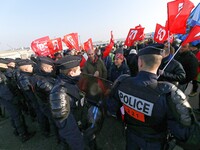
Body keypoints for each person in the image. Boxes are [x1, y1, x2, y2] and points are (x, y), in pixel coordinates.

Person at [110, 45, 200, 150]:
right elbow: (185, 133)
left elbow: (111, 107)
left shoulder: (123, 82)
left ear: (140, 62)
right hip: (154, 143)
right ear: (159, 64)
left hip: (131, 137)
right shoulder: (169, 92)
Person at [49, 55, 85, 150]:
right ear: (71, 73)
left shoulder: (69, 83)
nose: (81, 72)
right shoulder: (59, 93)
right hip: (74, 137)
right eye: (79, 70)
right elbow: (68, 129)